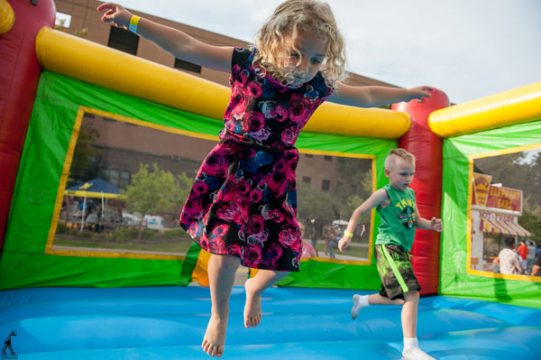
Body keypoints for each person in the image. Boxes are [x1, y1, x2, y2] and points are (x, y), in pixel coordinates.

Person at [97, 1, 432, 357]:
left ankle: (255, 289)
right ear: (274, 40)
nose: (305, 66)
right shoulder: (247, 63)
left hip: (275, 176)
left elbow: (364, 96)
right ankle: (219, 314)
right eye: (295, 54)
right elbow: (186, 47)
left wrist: (402, 94)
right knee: (225, 250)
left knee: (289, 256)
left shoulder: (315, 87)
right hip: (236, 166)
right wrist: (132, 22)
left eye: (316, 59)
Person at [338, 148, 442, 360]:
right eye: (403, 174)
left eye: (411, 173)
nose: (408, 178)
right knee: (412, 293)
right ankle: (410, 349)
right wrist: (347, 235)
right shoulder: (384, 194)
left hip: (403, 251)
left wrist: (431, 225)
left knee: (397, 299)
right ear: (388, 172)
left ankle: (363, 300)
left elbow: (415, 220)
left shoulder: (410, 193)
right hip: (388, 247)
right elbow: (359, 211)